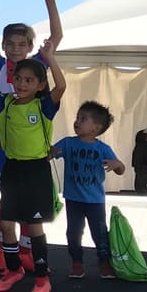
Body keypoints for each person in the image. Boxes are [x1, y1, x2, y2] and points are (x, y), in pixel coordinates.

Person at [0, 0, 64, 274]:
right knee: (10, 198)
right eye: (10, 43)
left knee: (31, 202)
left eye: (21, 44)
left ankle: (27, 253)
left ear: (29, 46)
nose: (15, 48)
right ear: (3, 45)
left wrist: (50, 3)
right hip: (0, 145)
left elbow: (55, 38)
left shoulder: (36, 67)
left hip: (31, 150)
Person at [0, 35, 66, 292]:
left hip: (36, 171)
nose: (22, 84)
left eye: (29, 80)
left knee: (34, 226)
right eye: (19, 79)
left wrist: (50, 58)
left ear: (39, 85)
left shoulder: (44, 106)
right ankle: (13, 270)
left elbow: (61, 86)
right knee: (8, 223)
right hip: (12, 169)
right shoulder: (4, 103)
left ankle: (42, 276)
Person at [52, 101, 124, 279]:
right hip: (73, 199)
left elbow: (121, 169)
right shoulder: (68, 143)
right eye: (77, 117)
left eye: (83, 119)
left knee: (99, 233)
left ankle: (104, 262)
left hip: (95, 201)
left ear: (95, 128)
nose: (77, 121)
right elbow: (50, 153)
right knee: (73, 232)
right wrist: (47, 149)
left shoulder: (103, 149)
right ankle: (77, 263)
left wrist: (117, 164)